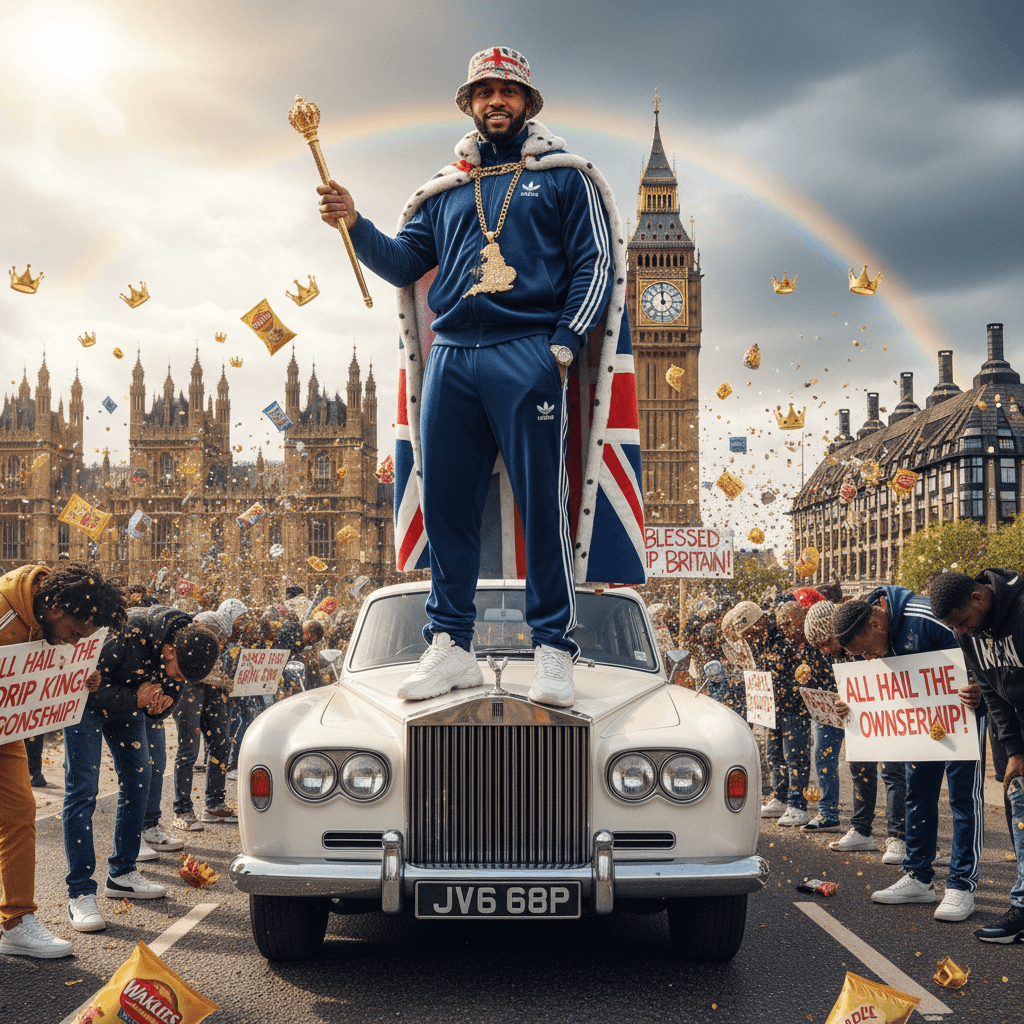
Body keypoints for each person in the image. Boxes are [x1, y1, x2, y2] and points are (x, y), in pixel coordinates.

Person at [316, 47, 643, 710]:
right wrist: (355, 221)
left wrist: (561, 345)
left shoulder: (563, 177)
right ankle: (451, 647)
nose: (497, 100)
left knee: (540, 505)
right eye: (485, 91)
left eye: (509, 91)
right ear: (469, 103)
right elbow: (405, 262)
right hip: (454, 354)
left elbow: (596, 265)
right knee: (444, 506)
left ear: (528, 103)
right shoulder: (445, 188)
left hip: (525, 349)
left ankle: (553, 647)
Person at [62, 606, 218, 934]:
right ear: (168, 650)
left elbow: (163, 698)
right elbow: (85, 683)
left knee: (139, 779)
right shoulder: (123, 632)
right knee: (83, 789)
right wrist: (137, 697)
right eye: (177, 675)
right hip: (85, 706)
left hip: (127, 705)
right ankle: (79, 892)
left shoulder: (185, 649)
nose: (179, 683)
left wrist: (158, 708)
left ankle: (122, 872)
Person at [0, 563, 127, 958]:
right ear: (55, 608)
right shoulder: (4, 609)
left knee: (20, 815)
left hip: (6, 732)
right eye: (74, 634)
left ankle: (17, 921)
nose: (74, 643)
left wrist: (80, 677)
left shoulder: (52, 618)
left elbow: (48, 668)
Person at [834, 589, 982, 923]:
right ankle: (919, 876)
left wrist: (980, 689)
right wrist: (852, 707)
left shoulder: (924, 617)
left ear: (876, 623)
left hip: (962, 716)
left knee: (963, 799)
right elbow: (882, 685)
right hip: (923, 723)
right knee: (918, 792)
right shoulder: (876, 634)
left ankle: (961, 886)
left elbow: (978, 648)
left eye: (868, 650)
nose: (869, 659)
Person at [930, 569, 1024, 943]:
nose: (964, 632)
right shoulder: (964, 630)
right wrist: (1014, 751)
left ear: (978, 598)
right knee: (1020, 819)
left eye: (965, 623)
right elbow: (989, 687)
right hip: (1012, 734)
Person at [170, 610, 236, 833]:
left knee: (221, 743)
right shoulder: (195, 625)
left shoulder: (225, 630)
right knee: (189, 749)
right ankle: (182, 809)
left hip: (214, 686)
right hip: (190, 684)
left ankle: (214, 802)